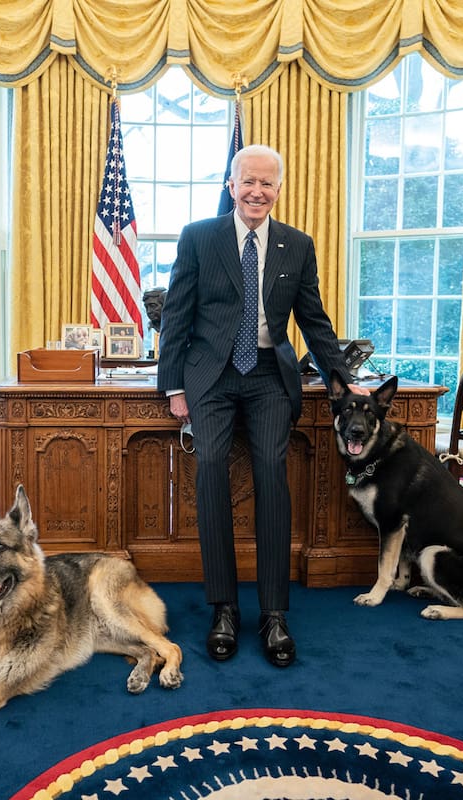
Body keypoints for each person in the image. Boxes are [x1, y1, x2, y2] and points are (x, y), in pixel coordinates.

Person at [156, 144, 361, 668]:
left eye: (267, 183)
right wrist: (174, 386)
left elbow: (313, 321)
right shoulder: (200, 237)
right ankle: (223, 608)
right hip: (212, 377)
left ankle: (274, 614)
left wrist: (342, 377)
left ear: (278, 190)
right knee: (210, 470)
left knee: (272, 469)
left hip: (270, 375)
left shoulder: (298, 245)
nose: (257, 192)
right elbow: (176, 315)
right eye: (248, 181)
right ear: (231, 185)